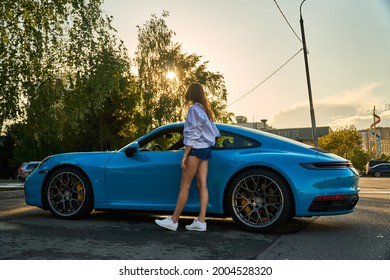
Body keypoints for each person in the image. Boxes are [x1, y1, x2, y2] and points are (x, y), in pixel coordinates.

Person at [155, 82, 220, 232]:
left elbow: (193, 133)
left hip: (196, 150)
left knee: (184, 185)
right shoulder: (206, 111)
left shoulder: (194, 110)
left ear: (191, 94)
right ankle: (201, 221)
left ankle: (173, 220)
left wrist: (185, 154)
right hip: (206, 150)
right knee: (202, 185)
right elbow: (213, 133)